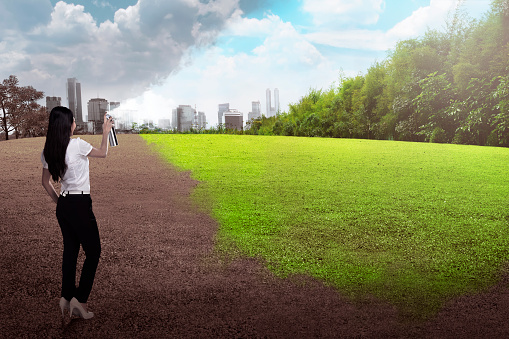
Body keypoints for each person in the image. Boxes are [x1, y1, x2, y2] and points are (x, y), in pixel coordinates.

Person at [41, 106, 113, 320]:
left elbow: (45, 183)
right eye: (72, 120)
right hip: (80, 203)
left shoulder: (48, 149)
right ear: (67, 124)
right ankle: (79, 301)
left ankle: (65, 296)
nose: (75, 123)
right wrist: (105, 133)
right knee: (94, 251)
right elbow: (103, 153)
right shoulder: (77, 144)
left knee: (70, 251)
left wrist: (60, 203)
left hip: (64, 204)